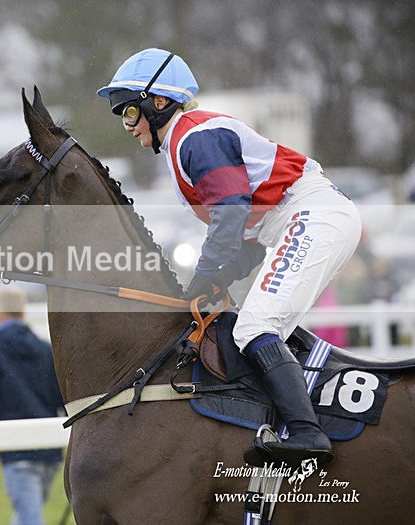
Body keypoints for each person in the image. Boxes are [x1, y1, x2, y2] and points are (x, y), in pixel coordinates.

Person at [97, 48, 362, 467]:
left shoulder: (194, 136)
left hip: (313, 216)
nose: (127, 125)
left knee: (256, 325)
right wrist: (223, 276)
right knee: (253, 325)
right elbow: (248, 232)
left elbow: (233, 212)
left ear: (159, 102)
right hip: (297, 221)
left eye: (129, 112)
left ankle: (308, 434)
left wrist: (203, 277)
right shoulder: (185, 141)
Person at [0, 286, 65, 525]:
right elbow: (63, 400)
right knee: (26, 516)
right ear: (23, 314)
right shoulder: (47, 352)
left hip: (18, 454)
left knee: (30, 519)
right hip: (51, 452)